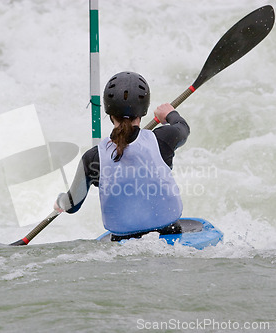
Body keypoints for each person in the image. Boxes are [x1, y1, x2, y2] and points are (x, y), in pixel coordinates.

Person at [54, 71, 190, 240]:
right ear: (143, 111)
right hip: (169, 234)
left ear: (110, 113)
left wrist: (60, 201)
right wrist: (169, 113)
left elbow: (72, 205)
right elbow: (183, 127)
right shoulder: (163, 139)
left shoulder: (93, 158)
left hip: (123, 245)